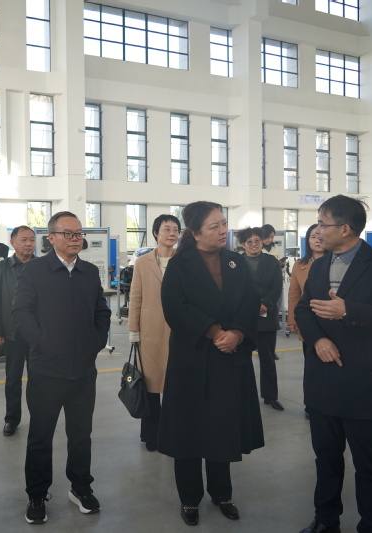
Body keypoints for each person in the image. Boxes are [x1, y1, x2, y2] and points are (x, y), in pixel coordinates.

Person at [295, 195, 372, 533]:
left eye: (323, 223)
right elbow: (303, 309)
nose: (317, 230)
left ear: (345, 229)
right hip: (323, 380)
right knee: (326, 459)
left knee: (367, 464)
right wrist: (318, 339)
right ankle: (326, 519)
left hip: (363, 382)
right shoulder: (320, 265)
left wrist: (348, 311)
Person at [158, 201, 264, 527]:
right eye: (214, 226)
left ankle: (222, 493)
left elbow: (250, 302)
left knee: (222, 429)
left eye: (224, 224)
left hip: (229, 359)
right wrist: (215, 332)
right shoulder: (180, 264)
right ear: (195, 233)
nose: (223, 231)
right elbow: (174, 307)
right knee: (189, 432)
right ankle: (190, 498)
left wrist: (238, 334)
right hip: (193, 359)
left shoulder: (235, 262)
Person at [12, 211, 111, 525]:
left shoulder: (88, 272)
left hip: (83, 371)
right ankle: (37, 494)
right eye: (68, 234)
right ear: (51, 238)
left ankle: (80, 487)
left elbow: (101, 312)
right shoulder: (34, 271)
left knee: (81, 434)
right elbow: (21, 312)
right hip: (46, 371)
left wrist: (95, 343)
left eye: (78, 233)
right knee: (40, 437)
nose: (75, 239)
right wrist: (42, 344)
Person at [127, 214, 181, 451]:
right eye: (167, 229)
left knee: (175, 386)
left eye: (175, 229)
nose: (172, 233)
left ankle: (173, 433)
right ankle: (151, 435)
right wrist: (133, 330)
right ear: (156, 233)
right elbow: (136, 297)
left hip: (179, 331)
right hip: (150, 331)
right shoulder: (143, 262)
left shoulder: (185, 261)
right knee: (149, 385)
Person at [0, 225, 36, 437]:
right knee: (13, 379)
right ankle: (11, 419)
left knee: (38, 380)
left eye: (32, 240)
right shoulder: (2, 268)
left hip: (37, 334)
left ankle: (39, 418)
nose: (29, 244)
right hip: (12, 333)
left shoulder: (42, 266)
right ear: (13, 242)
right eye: (24, 240)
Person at [237, 226, 284, 411]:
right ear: (243, 244)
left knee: (268, 360)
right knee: (242, 360)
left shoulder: (272, 262)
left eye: (257, 240)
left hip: (267, 316)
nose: (253, 244)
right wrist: (251, 306)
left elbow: (277, 287)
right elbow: (234, 288)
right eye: (249, 241)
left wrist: (265, 304)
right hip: (243, 318)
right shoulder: (236, 262)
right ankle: (243, 396)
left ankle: (270, 396)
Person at [288, 224, 325, 420]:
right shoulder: (300, 266)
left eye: (321, 235)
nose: (317, 239)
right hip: (308, 321)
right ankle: (311, 405)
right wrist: (292, 320)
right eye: (313, 236)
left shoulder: (336, 261)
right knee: (311, 366)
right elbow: (294, 294)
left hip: (332, 320)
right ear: (307, 241)